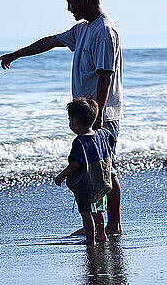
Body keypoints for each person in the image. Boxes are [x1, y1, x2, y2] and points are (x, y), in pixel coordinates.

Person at [0, 0, 123, 234]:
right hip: (89, 115)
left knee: (105, 170)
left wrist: (96, 118)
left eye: (71, 1)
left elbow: (105, 76)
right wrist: (16, 54)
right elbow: (51, 41)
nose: (68, 7)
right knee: (92, 169)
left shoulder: (104, 31)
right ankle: (97, 225)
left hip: (102, 115)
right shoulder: (83, 29)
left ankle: (113, 224)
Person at [55, 98, 114, 244]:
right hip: (102, 183)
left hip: (87, 186)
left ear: (75, 122)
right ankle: (101, 234)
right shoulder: (102, 135)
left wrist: (62, 175)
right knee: (99, 211)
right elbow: (111, 143)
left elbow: (76, 163)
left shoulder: (79, 142)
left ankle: (90, 239)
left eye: (69, 120)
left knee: (86, 213)